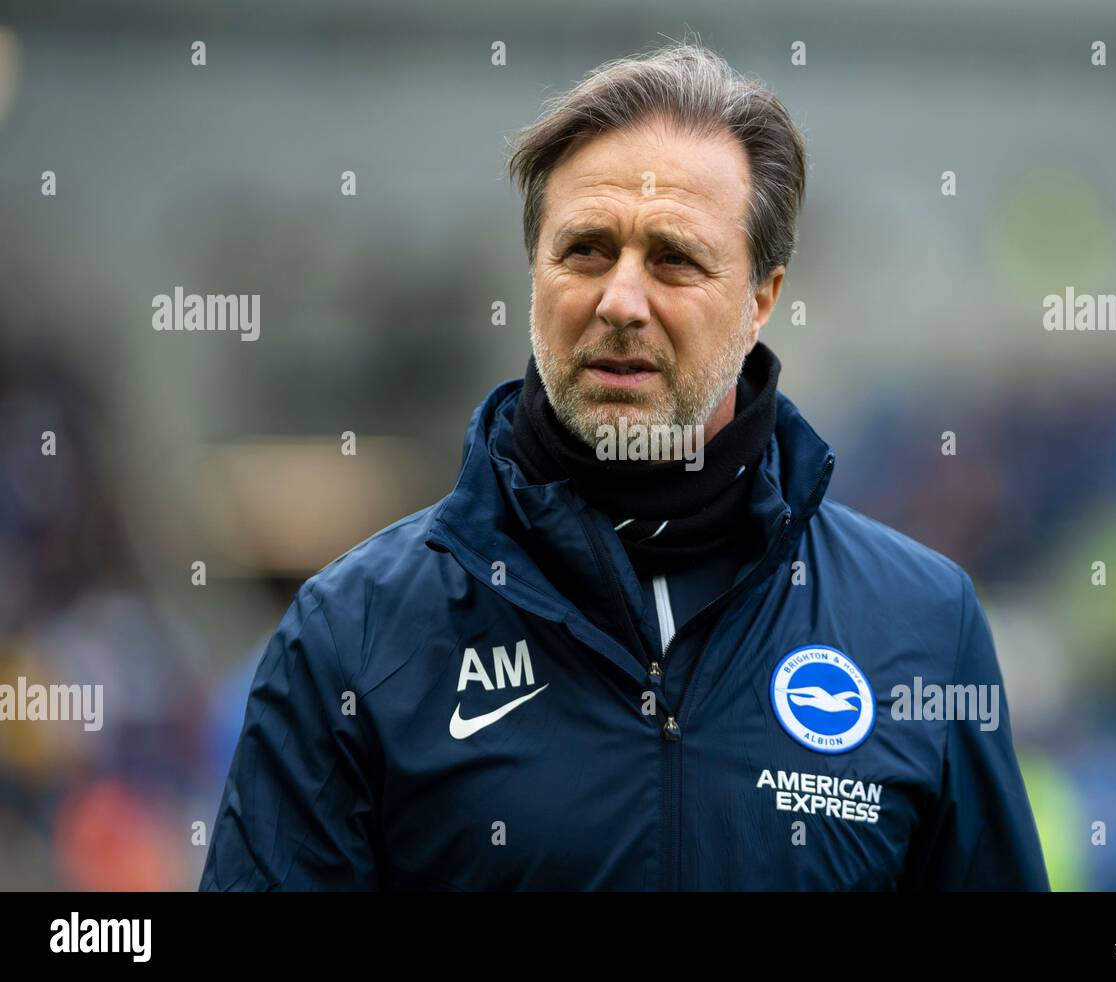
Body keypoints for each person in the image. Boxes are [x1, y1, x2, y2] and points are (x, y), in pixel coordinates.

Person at [200, 40, 1049, 891]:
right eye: (587, 251)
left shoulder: (923, 626)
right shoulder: (354, 633)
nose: (621, 301)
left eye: (674, 258)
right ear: (534, 273)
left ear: (762, 297)